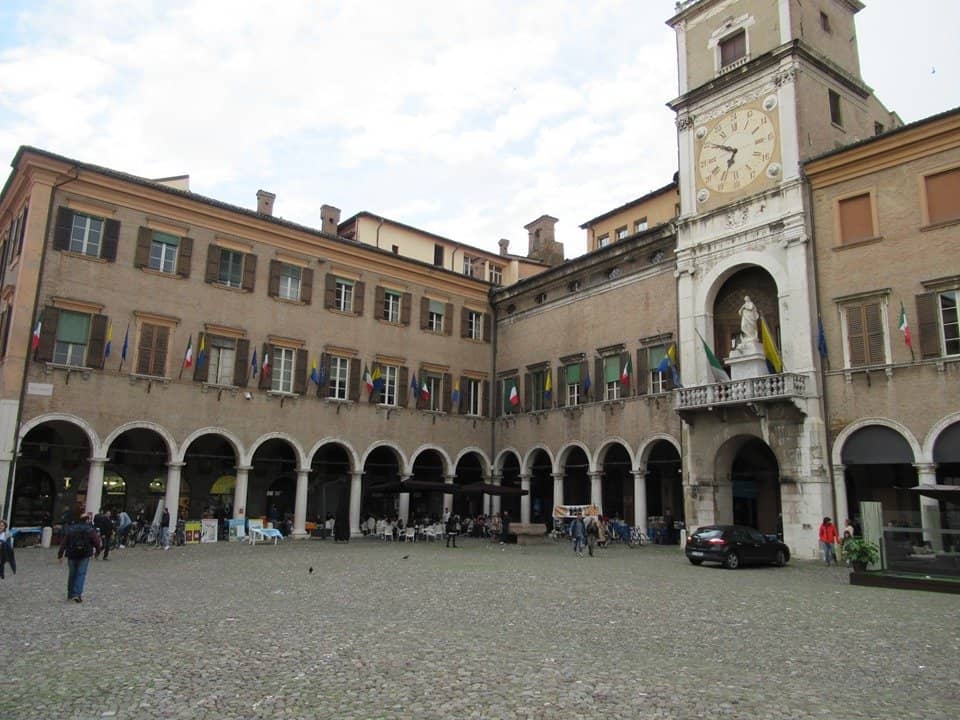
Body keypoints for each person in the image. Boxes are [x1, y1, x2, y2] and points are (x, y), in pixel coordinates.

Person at [57, 512, 102, 602]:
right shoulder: (90, 530)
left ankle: (70, 594)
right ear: (87, 520)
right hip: (84, 554)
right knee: (81, 574)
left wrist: (60, 555)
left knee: (72, 574)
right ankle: (77, 594)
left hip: (71, 554)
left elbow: (64, 542)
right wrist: (97, 552)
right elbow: (97, 542)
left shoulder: (71, 529)